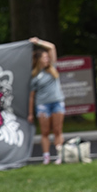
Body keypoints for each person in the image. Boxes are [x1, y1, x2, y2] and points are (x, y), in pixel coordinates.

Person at [28, 37, 64, 165]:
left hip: (57, 102)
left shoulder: (52, 68)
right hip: (43, 105)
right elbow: (31, 96)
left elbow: (52, 47)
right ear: (38, 60)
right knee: (45, 132)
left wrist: (38, 42)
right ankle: (46, 156)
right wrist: (31, 113)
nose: (47, 59)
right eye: (44, 57)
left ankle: (60, 155)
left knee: (57, 130)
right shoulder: (34, 75)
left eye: (47, 57)